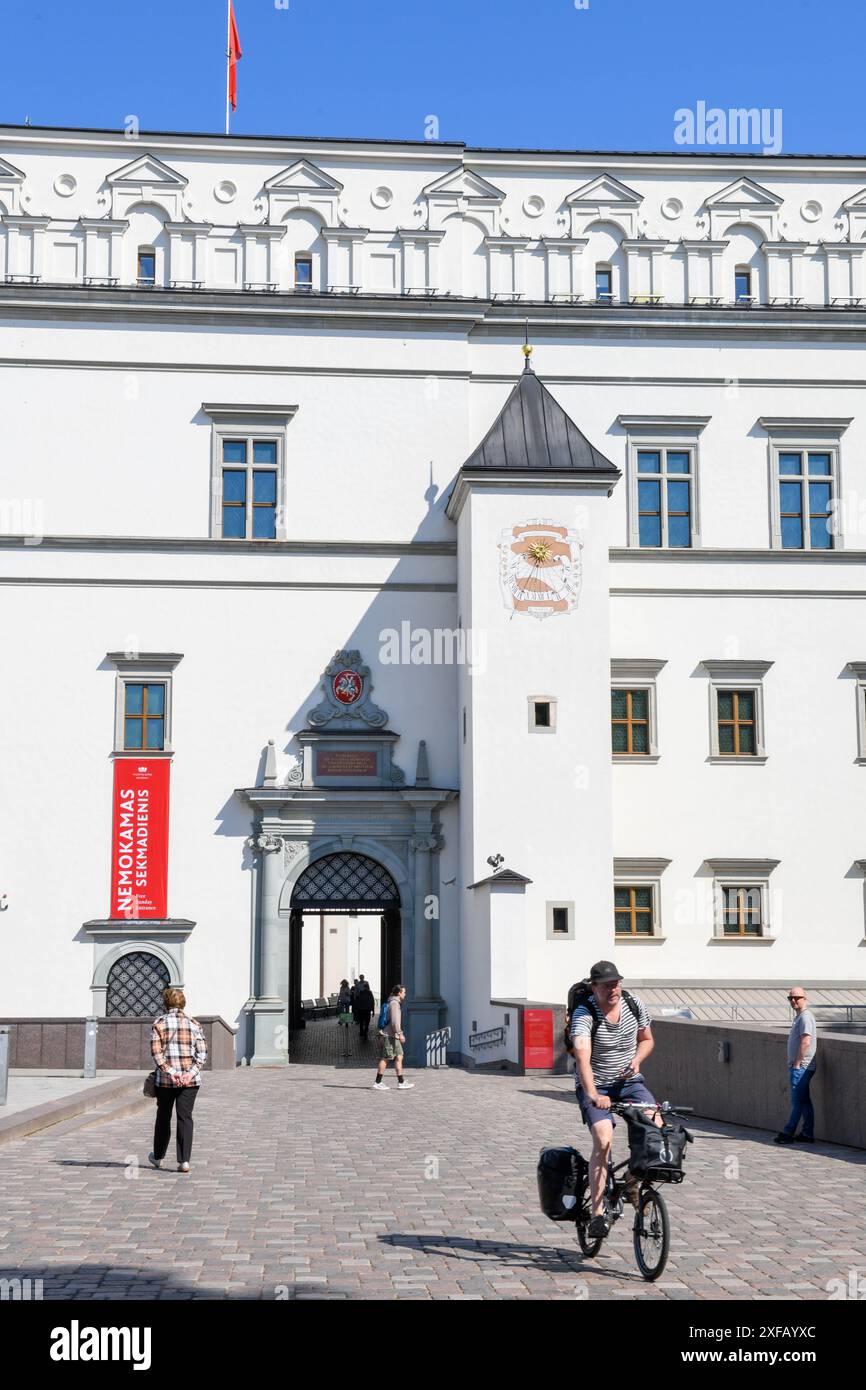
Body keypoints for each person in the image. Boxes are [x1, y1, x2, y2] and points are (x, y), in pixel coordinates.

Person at [570, 961, 662, 1241]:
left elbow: (647, 1039)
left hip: (630, 1083)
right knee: (603, 1139)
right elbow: (582, 1058)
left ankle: (633, 1182)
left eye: (617, 983)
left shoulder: (634, 1005)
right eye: (607, 985)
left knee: (656, 1126)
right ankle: (597, 1214)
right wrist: (594, 1094)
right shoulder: (585, 1014)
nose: (614, 989)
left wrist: (637, 1059)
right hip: (595, 1085)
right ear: (594, 987)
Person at [147, 987, 207, 1174]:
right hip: (190, 1081)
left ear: (165, 1003)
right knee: (185, 1117)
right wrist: (189, 1073)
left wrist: (171, 1072)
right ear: (183, 1003)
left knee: (163, 1117)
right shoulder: (194, 1024)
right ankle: (184, 1161)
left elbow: (156, 1054)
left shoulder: (159, 1023)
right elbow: (202, 1053)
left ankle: (158, 1157)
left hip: (165, 1081)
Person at [774, 986, 818, 1144]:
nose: (793, 1000)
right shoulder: (800, 1017)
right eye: (790, 998)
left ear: (804, 999)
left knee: (797, 1101)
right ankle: (807, 1133)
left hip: (802, 1066)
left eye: (797, 998)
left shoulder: (805, 1017)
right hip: (802, 1066)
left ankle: (788, 1133)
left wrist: (797, 1064)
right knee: (804, 1100)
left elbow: (806, 1041)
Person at [372, 984, 414, 1091]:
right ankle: (377, 1082)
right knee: (386, 1058)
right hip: (389, 1035)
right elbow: (395, 1022)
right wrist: (400, 1034)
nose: (405, 994)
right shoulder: (394, 1003)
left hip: (393, 1036)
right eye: (404, 992)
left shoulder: (394, 1002)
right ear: (399, 993)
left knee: (399, 1056)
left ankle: (401, 1082)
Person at [354, 975, 375, 1041]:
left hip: (361, 1009)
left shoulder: (361, 993)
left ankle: (361, 1032)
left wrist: (357, 1008)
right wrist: (373, 1010)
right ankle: (365, 1032)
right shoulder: (369, 993)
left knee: (361, 1021)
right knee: (367, 1021)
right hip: (367, 1010)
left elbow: (358, 1001)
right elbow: (372, 1002)